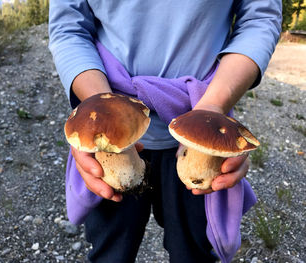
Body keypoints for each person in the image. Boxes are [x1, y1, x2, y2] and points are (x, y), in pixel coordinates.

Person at [49, 1, 282, 262]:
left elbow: (259, 18)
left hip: (201, 124)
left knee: (191, 253)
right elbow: (69, 27)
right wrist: (103, 114)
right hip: (109, 133)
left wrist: (213, 108)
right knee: (110, 253)